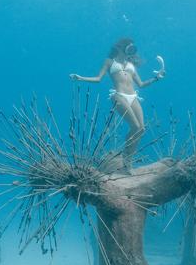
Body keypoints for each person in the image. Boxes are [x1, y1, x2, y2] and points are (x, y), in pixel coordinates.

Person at [69, 38, 165, 168]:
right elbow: (98, 79)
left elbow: (141, 84)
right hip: (119, 96)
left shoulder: (131, 63)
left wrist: (156, 78)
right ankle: (126, 159)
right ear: (121, 47)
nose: (131, 50)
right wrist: (80, 78)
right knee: (135, 127)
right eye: (128, 47)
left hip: (133, 96)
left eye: (132, 48)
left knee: (141, 129)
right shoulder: (109, 62)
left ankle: (127, 158)